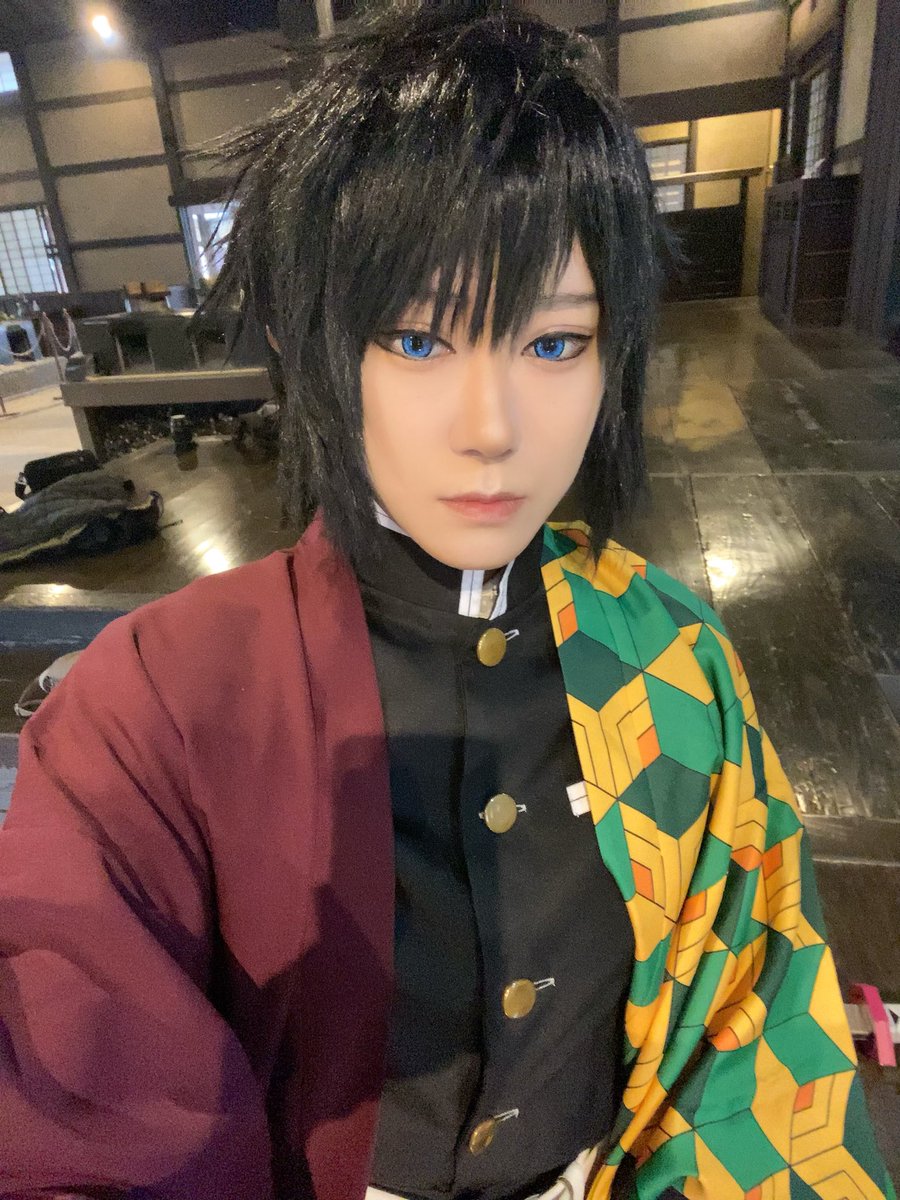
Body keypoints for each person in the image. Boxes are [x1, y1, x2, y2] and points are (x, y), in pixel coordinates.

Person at [0, 3, 893, 1199]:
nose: (492, 429)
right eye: (418, 342)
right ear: (311, 344)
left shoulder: (677, 658)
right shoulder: (155, 699)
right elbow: (79, 1092)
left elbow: (757, 1027)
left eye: (554, 343)